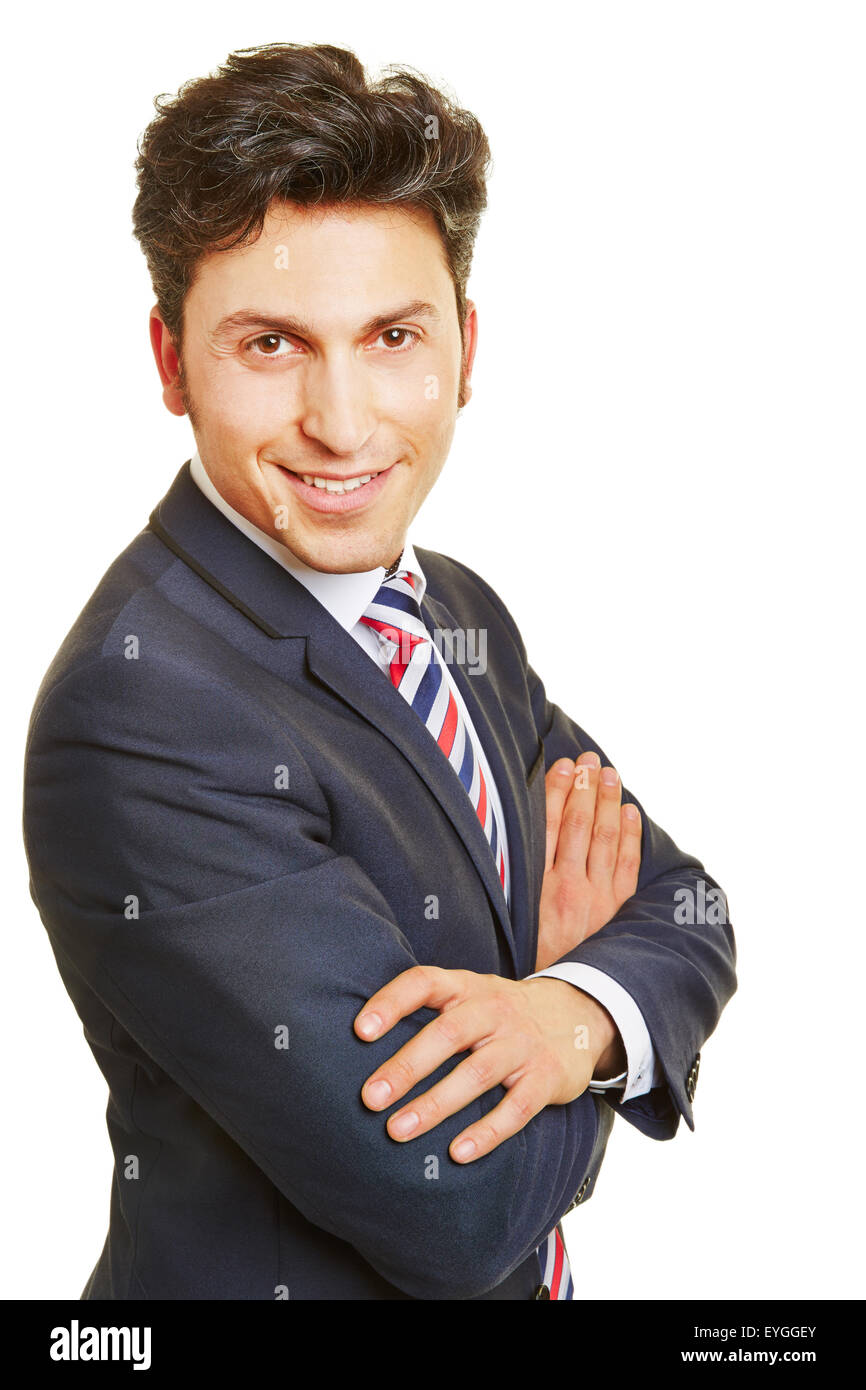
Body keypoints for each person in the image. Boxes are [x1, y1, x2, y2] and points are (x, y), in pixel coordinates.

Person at [22, 42, 736, 1301]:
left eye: (392, 335)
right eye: (272, 345)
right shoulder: (142, 713)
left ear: (464, 343)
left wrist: (565, 1014)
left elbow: (685, 907)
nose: (343, 424)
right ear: (169, 362)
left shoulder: (451, 610)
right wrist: (580, 993)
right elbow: (457, 1210)